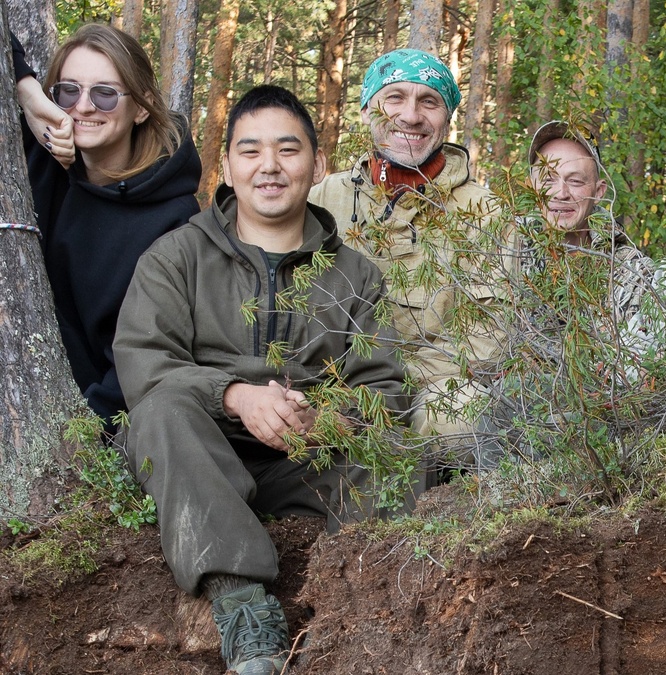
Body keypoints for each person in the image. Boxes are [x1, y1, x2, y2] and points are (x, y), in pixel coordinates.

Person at [113, 86, 411, 674]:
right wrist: (235, 396)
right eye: (250, 151)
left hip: (299, 456)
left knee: (398, 456)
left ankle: (362, 616)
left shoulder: (354, 273)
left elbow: (384, 388)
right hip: (197, 451)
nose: (269, 166)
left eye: (287, 149)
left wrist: (324, 418)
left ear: (316, 165)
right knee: (163, 411)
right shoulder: (176, 257)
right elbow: (146, 366)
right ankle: (245, 609)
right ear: (227, 167)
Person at [309, 49, 513, 463]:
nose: (411, 116)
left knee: (463, 409)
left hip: (426, 394)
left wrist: (386, 389)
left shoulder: (486, 213)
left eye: (429, 101)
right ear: (368, 109)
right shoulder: (322, 199)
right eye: (395, 98)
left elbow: (486, 339)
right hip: (331, 384)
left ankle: (439, 506)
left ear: (447, 117)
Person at [9, 25, 201, 428]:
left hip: (103, 423)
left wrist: (88, 439)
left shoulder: (175, 219)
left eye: (105, 93)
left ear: (143, 106)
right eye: (68, 91)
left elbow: (151, 354)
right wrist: (27, 92)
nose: (83, 107)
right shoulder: (40, 160)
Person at [525, 120, 653, 320]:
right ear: (530, 186)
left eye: (575, 181)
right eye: (548, 179)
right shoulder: (502, 253)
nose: (561, 193)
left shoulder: (633, 273)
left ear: (599, 191)